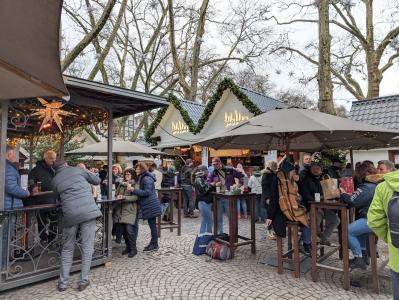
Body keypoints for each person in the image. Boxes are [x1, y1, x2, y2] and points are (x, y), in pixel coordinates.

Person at [52, 159, 102, 292]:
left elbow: (56, 198)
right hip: (88, 213)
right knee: (87, 247)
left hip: (70, 215)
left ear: (54, 170)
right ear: (66, 164)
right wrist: (84, 170)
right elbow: (97, 180)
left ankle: (63, 283)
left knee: (67, 248)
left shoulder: (55, 180)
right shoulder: (78, 170)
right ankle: (83, 281)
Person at [340, 162, 382, 269]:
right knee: (359, 231)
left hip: (372, 220)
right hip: (379, 220)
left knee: (347, 230)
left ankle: (358, 258)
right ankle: (363, 256)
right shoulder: (377, 184)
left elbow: (353, 201)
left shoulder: (366, 187)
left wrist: (343, 193)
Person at [368, 169, 399, 299]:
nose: (379, 170)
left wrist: (389, 238)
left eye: (381, 168)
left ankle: (360, 256)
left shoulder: (383, 186)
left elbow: (374, 221)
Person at [299, 158, 340, 249]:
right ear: (310, 169)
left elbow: (327, 194)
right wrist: (317, 203)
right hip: (311, 207)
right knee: (315, 220)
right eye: (313, 168)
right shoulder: (306, 179)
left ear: (321, 170)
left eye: (318, 168)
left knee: (335, 220)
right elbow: (306, 195)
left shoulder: (324, 179)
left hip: (323, 207)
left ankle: (323, 238)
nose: (316, 170)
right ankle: (309, 241)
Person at [2, 146, 30, 271]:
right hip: (8, 208)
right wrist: (26, 193)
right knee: (5, 238)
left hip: (6, 206)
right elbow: (11, 187)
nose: (15, 157)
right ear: (9, 155)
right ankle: (3, 267)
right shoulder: (8, 168)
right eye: (14, 154)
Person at [130, 162, 162, 252]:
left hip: (151, 205)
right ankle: (154, 243)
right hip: (149, 204)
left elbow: (146, 192)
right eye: (136, 168)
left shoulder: (147, 178)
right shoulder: (143, 177)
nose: (136, 170)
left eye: (138, 169)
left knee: (152, 226)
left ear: (142, 169)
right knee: (152, 225)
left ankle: (154, 244)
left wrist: (133, 190)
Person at [207, 157, 243, 234]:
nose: (215, 166)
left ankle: (233, 234)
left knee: (231, 217)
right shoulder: (213, 172)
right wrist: (214, 184)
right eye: (213, 164)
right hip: (218, 197)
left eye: (216, 164)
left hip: (229, 197)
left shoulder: (229, 169)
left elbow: (242, 176)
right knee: (218, 217)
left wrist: (238, 185)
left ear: (220, 163)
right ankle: (220, 234)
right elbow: (208, 183)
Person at [28, 150, 57, 244]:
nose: (54, 160)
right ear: (45, 158)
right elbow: (31, 180)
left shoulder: (55, 169)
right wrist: (33, 187)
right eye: (51, 158)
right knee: (42, 222)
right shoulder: (36, 170)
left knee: (54, 221)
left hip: (54, 200)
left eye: (55, 158)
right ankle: (43, 238)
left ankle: (52, 238)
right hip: (41, 200)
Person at [114, 169, 139, 258]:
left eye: (129, 174)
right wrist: (118, 196)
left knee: (129, 230)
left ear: (132, 175)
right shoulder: (121, 184)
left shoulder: (134, 184)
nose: (127, 176)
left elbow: (136, 197)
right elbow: (116, 194)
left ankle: (133, 249)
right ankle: (128, 247)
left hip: (130, 210)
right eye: (125, 174)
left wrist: (124, 197)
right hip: (120, 210)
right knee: (124, 231)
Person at [192, 165, 213, 234]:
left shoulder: (202, 178)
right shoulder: (198, 179)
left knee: (204, 221)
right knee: (209, 221)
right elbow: (203, 190)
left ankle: (202, 237)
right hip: (203, 202)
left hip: (205, 201)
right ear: (201, 171)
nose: (207, 172)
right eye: (205, 171)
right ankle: (207, 237)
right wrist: (211, 184)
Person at [262, 160, 278, 239]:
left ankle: (272, 231)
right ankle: (269, 232)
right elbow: (265, 187)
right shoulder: (266, 174)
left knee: (272, 215)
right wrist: (267, 198)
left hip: (273, 198)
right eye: (275, 165)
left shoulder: (272, 173)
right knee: (269, 215)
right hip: (268, 198)